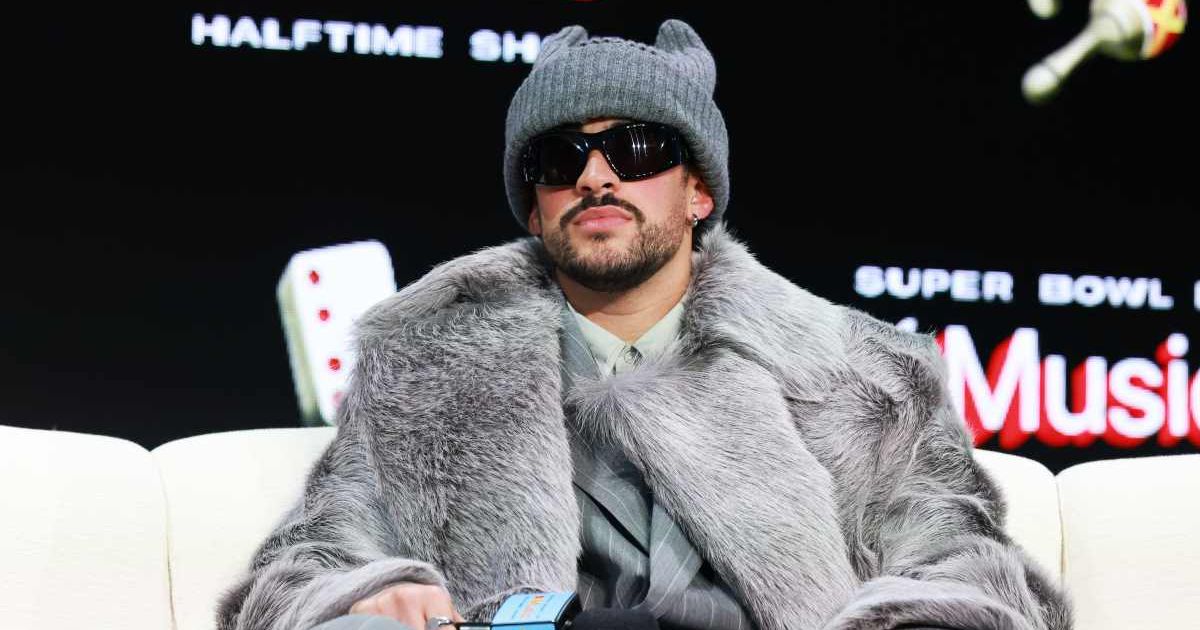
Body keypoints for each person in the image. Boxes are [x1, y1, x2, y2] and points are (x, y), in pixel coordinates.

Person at [217, 19, 1073, 630]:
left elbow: (972, 572)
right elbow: (301, 571)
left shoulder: (859, 379)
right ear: (534, 204)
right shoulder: (423, 369)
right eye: (562, 159)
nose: (596, 176)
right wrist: (372, 596)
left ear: (699, 193)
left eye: (635, 151)